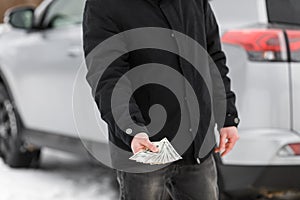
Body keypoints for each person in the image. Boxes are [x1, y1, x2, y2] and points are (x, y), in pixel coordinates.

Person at [83, 0, 240, 199]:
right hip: (145, 149)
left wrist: (226, 115)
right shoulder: (105, 5)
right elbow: (107, 75)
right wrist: (132, 129)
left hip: (197, 146)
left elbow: (212, 56)